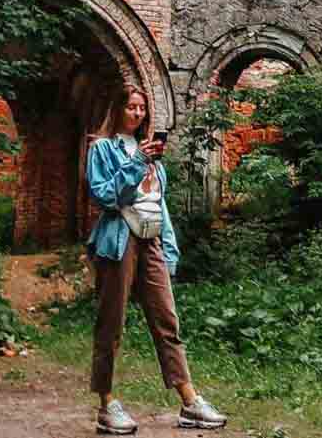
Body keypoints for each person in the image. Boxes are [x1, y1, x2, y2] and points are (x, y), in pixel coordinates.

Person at [86, 86, 227, 433]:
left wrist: (169, 252)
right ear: (117, 110)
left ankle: (190, 402)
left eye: (141, 108)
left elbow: (159, 206)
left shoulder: (154, 160)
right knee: (111, 324)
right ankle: (107, 404)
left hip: (152, 244)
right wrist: (135, 164)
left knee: (167, 321)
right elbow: (104, 196)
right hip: (119, 242)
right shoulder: (102, 149)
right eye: (131, 107)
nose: (137, 114)